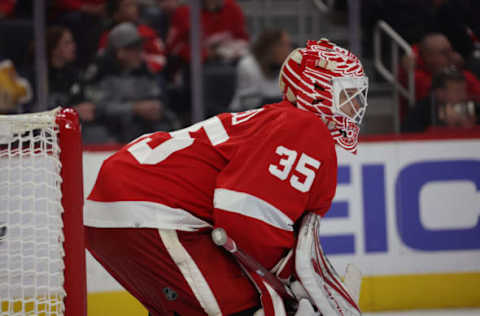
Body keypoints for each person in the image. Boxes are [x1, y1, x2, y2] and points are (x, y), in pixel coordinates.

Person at [84, 39, 368, 316]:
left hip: (119, 210)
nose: (355, 108)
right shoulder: (304, 126)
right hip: (152, 210)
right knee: (246, 305)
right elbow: (245, 216)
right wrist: (286, 282)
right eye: (347, 96)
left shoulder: (278, 122)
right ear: (315, 91)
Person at [84, 22, 179, 143]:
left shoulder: (145, 72)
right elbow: (96, 108)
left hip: (141, 132)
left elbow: (158, 99)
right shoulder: (100, 73)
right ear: (120, 52)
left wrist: (156, 108)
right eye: (135, 50)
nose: (140, 54)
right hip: (110, 133)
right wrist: (133, 108)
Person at [229, 29, 293, 112]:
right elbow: (250, 103)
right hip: (244, 116)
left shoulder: (288, 67)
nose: (289, 50)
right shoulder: (248, 65)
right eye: (283, 45)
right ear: (271, 48)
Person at [98, 0, 167, 73]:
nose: (134, 9)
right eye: (128, 6)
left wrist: (143, 67)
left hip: (144, 77)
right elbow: (101, 58)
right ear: (115, 13)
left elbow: (159, 58)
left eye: (134, 5)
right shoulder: (107, 35)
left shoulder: (147, 33)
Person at [402, 67, 479, 133]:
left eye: (464, 90)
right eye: (458, 91)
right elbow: (413, 140)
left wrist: (468, 126)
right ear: (439, 93)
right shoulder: (421, 111)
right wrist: (449, 127)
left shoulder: (470, 107)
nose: (464, 96)